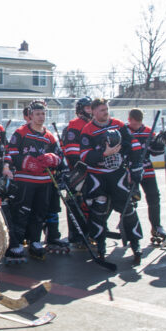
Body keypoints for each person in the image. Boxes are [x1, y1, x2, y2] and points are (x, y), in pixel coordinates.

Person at [80, 98, 142, 265]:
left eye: (106, 109)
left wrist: (135, 166)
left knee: (127, 208)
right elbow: (84, 155)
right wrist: (103, 154)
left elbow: (134, 145)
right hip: (97, 176)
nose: (105, 112)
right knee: (98, 210)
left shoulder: (119, 125)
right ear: (93, 111)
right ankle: (100, 245)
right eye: (101, 110)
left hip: (118, 174)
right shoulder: (87, 130)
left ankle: (135, 243)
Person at [3, 100, 62, 262]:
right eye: (37, 114)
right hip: (25, 181)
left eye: (43, 114)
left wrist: (53, 159)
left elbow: (60, 156)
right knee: (21, 212)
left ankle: (35, 241)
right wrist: (25, 162)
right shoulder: (20, 133)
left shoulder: (49, 136)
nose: (41, 117)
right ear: (30, 115)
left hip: (44, 182)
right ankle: (16, 243)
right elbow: (10, 153)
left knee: (39, 212)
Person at [126, 108, 166, 244]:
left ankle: (156, 226)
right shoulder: (124, 131)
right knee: (130, 198)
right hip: (130, 171)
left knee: (154, 196)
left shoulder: (148, 132)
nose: (137, 125)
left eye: (139, 123)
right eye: (134, 123)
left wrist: (160, 143)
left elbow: (155, 152)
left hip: (147, 169)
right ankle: (129, 228)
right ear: (129, 120)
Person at [60, 96, 93, 248]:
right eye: (87, 108)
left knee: (90, 203)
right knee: (75, 203)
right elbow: (72, 153)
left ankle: (89, 232)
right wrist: (82, 168)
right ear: (81, 109)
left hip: (92, 170)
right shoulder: (74, 125)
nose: (90, 111)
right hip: (78, 172)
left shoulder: (93, 124)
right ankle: (76, 235)